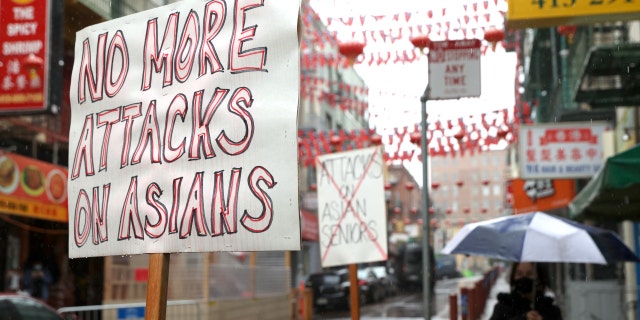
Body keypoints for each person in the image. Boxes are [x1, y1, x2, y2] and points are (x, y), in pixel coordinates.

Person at [489, 262, 562, 320]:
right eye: (519, 274)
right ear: (513, 277)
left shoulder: (551, 311)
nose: (523, 277)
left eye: (529, 274)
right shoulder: (503, 307)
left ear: (539, 278)